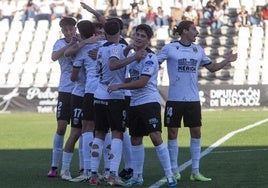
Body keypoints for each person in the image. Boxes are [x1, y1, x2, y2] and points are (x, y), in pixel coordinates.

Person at [157, 20, 237, 182]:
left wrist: (227, 60)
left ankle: (195, 171)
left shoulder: (198, 49)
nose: (197, 32)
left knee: (196, 132)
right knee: (172, 133)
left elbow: (212, 68)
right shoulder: (169, 48)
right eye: (194, 29)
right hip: (174, 99)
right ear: (185, 31)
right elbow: (154, 63)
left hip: (193, 99)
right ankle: (173, 171)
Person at [107, 24, 177, 187]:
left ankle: (169, 174)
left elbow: (141, 82)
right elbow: (121, 64)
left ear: (148, 40)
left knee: (155, 137)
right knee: (135, 139)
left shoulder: (151, 58)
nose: (138, 38)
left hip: (149, 102)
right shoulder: (134, 55)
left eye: (142, 36)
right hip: (134, 102)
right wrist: (129, 50)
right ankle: (138, 176)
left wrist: (119, 86)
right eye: (137, 34)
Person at [89, 20, 145, 186]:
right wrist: (134, 56)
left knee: (99, 133)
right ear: (120, 31)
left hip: (99, 94)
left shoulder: (102, 48)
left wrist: (129, 49)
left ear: (105, 32)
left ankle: (93, 174)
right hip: (114, 95)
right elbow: (114, 64)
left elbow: (120, 51)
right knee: (117, 133)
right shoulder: (115, 48)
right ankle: (113, 174)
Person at [60, 20, 96, 181]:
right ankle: (65, 169)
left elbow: (73, 76)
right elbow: (66, 53)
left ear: (80, 32)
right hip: (80, 93)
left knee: (85, 132)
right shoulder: (82, 46)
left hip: (85, 92)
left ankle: (84, 169)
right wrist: (85, 42)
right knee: (77, 132)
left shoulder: (88, 47)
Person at [47, 16, 77, 178]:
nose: (68, 32)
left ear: (75, 29)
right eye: (65, 30)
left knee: (78, 130)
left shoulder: (82, 41)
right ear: (62, 31)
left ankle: (81, 168)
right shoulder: (60, 43)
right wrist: (72, 44)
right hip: (65, 90)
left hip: (80, 90)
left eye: (71, 29)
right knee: (61, 128)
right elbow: (54, 57)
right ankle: (54, 166)